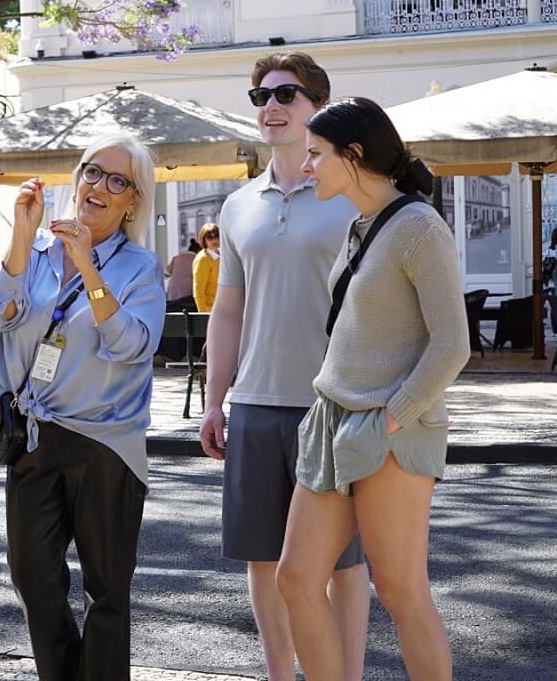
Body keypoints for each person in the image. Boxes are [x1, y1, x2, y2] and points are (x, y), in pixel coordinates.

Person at [277, 96, 469, 681]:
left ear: (353, 154)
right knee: (296, 579)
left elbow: (452, 344)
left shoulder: (419, 227)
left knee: (400, 591)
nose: (305, 166)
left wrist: (393, 417)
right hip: (332, 417)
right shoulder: (360, 226)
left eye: (316, 154)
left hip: (389, 427)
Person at [197, 52, 370, 681]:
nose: (271, 106)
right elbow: (227, 312)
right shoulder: (238, 205)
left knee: (344, 563)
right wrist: (215, 401)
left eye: (286, 94)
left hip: (336, 406)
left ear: (317, 107)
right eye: (261, 96)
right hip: (255, 405)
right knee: (264, 559)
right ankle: (280, 675)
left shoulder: (353, 197)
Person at [0, 132, 166, 681]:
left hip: (105, 441)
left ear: (133, 201)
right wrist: (22, 234)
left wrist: (89, 267)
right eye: (92, 171)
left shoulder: (140, 266)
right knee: (31, 575)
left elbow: (133, 345)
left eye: (118, 181)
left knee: (106, 589)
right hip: (34, 433)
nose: (99, 187)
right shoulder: (38, 250)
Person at [191, 222, 220, 313]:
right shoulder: (203, 259)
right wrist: (203, 315)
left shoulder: (222, 254)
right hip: (209, 312)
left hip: (222, 309)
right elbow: (198, 290)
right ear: (204, 240)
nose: (214, 240)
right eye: (209, 237)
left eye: (217, 236)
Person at [165, 238, 200, 304]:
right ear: (198, 251)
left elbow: (166, 273)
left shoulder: (177, 257)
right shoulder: (198, 260)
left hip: (172, 295)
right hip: (187, 297)